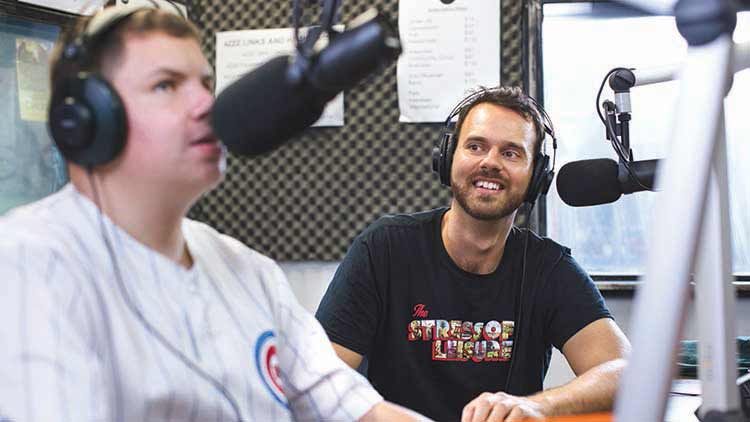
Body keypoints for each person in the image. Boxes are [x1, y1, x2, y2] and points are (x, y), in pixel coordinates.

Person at [0, 5, 427, 422]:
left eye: (205, 83)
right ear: (88, 120)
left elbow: (357, 409)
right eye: (166, 85)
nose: (205, 103)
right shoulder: (30, 263)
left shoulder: (247, 270)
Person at [315, 86, 631, 422]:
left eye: (511, 153)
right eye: (476, 146)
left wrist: (541, 405)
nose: (490, 162)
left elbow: (624, 370)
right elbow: (319, 378)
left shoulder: (549, 269)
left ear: (537, 176)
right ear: (448, 157)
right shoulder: (384, 250)